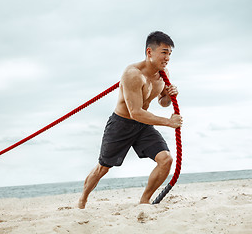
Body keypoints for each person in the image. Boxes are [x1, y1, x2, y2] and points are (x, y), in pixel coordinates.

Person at [78, 31, 183, 209]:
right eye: (164, 52)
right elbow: (135, 112)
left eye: (170, 54)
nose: (167, 58)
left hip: (142, 125)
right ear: (149, 52)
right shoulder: (133, 74)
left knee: (166, 159)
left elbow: (162, 102)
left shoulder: (163, 74)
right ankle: (82, 200)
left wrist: (168, 95)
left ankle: (144, 201)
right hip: (121, 124)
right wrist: (168, 122)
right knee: (103, 168)